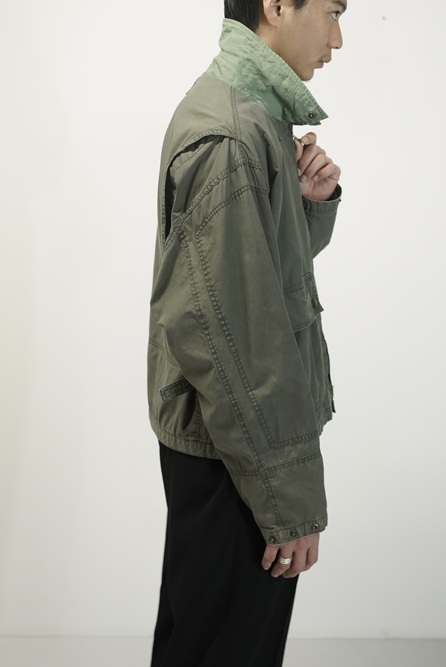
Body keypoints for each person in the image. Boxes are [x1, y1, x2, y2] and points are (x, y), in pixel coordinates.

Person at [147, 1, 347, 665]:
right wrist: (289, 498)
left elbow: (256, 284)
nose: (338, 38)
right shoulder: (233, 134)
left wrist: (304, 207)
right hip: (235, 451)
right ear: (277, 6)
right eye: (332, 12)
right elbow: (234, 341)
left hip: (233, 441)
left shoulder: (250, 116)